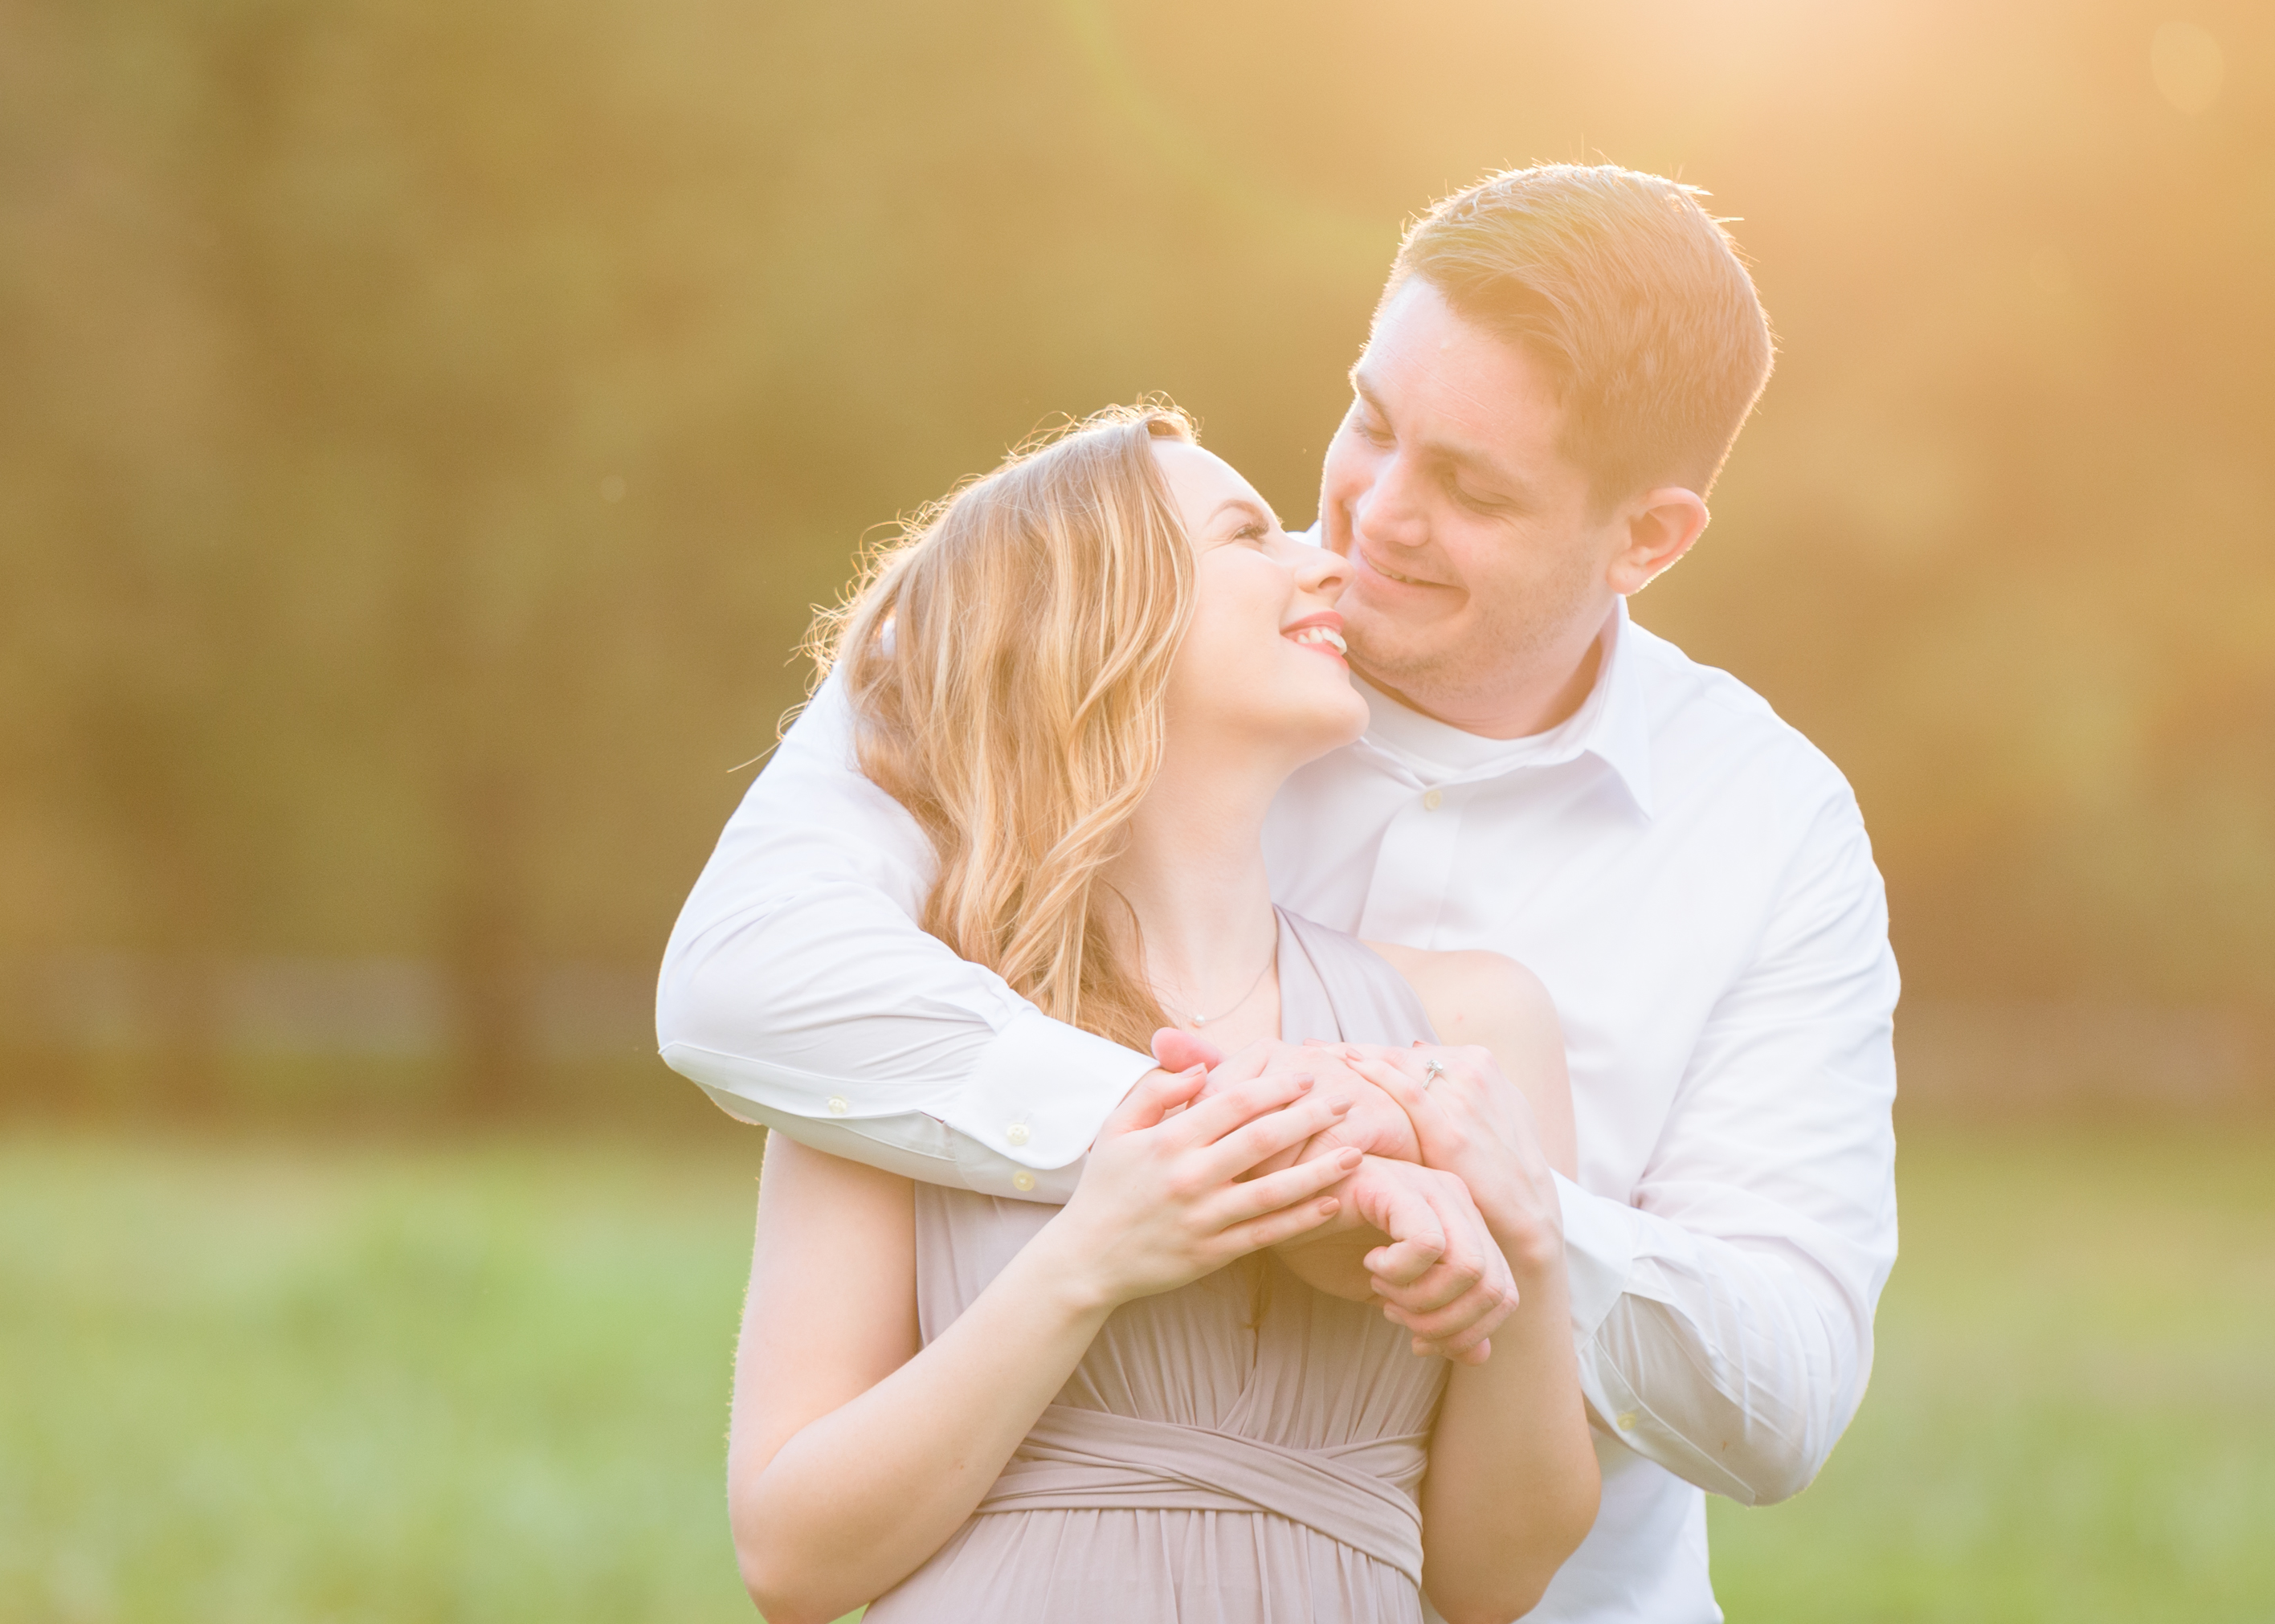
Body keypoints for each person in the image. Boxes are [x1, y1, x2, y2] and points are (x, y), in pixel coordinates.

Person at [664, 164, 1901, 1622]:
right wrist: (1268, 1158)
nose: (1370, 521)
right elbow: (739, 979)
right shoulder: (1086, 617)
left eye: (1473, 489)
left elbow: (1780, 1394)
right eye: (1371, 421)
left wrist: (1509, 1223)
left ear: (1648, 540)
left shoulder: (1764, 831)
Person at [725, 409, 1600, 1624]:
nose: (1326, 562)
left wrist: (1535, 1259)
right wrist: (1086, 1264)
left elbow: (1492, 1581)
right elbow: (790, 1559)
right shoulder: (912, 1030)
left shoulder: (1469, 1026)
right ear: (1103, 622)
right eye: (1248, 534)